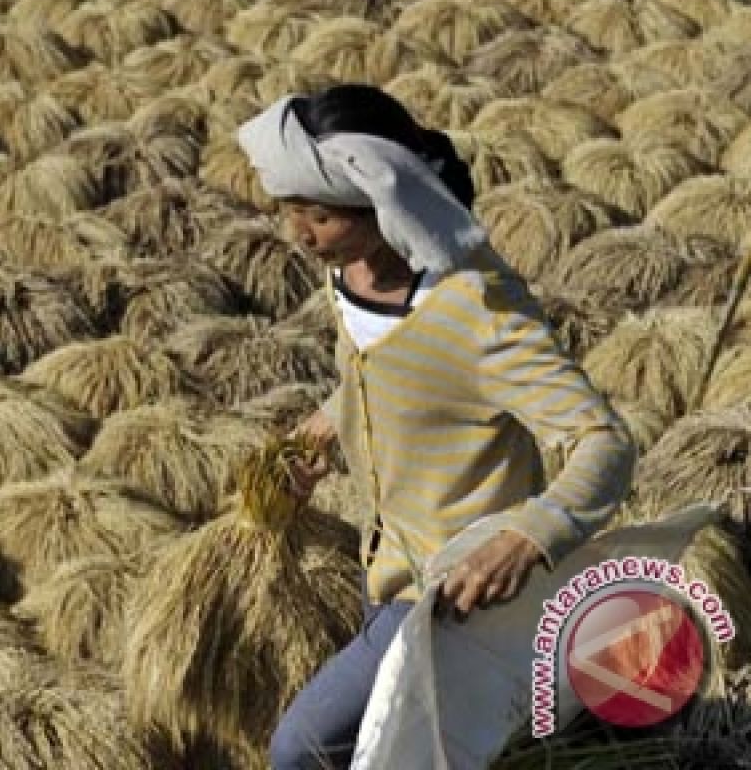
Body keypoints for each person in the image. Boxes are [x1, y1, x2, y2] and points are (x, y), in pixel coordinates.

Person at [236, 84, 637, 770]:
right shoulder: (354, 270)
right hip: (382, 569)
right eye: (289, 210)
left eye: (318, 216)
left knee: (298, 749)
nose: (298, 234)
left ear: (381, 205)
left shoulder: (479, 312)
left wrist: (525, 537)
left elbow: (605, 441)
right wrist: (326, 430)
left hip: (450, 600)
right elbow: (386, 370)